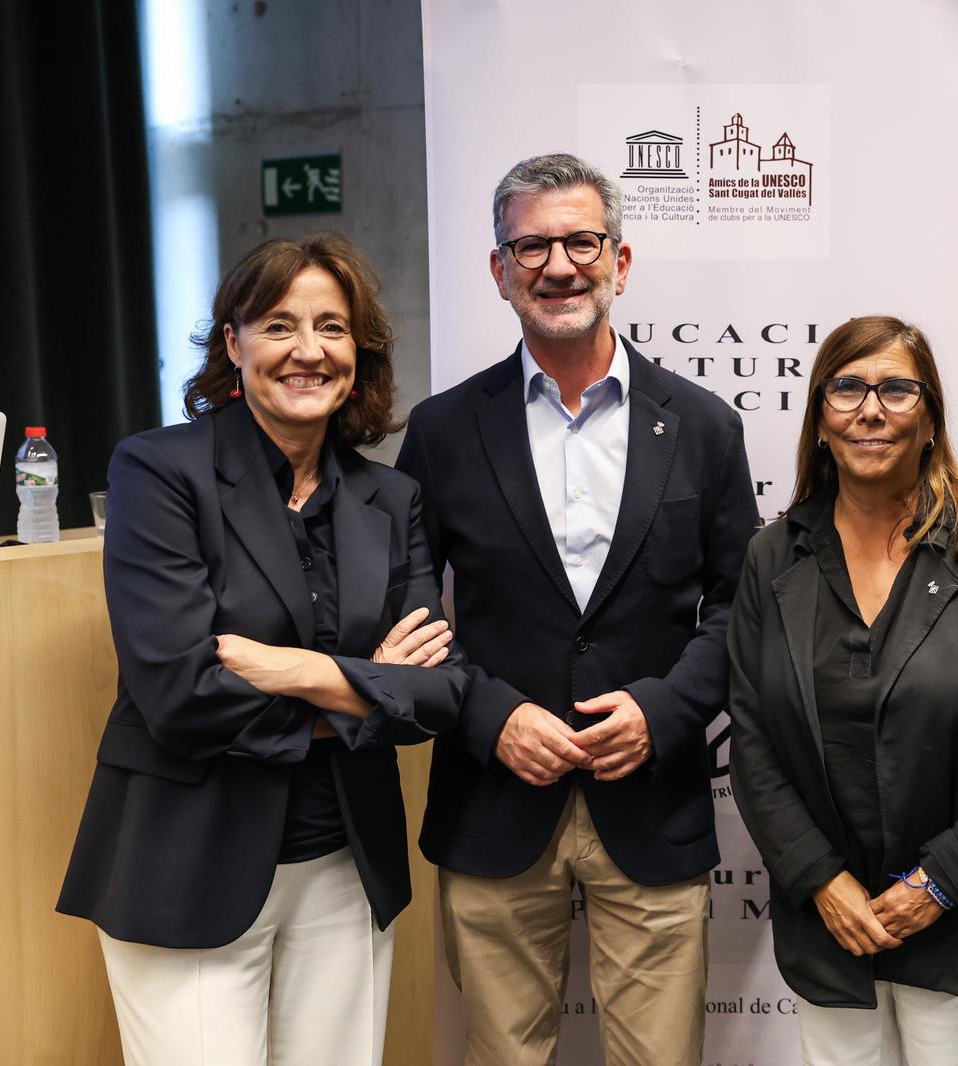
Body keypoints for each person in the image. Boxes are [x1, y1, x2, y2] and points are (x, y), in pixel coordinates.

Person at [57, 233, 475, 1066]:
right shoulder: (160, 472)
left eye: (332, 327)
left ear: (359, 351)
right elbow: (181, 694)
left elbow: (439, 694)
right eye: (280, 325)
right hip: (186, 864)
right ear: (234, 342)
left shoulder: (390, 498)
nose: (308, 350)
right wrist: (366, 688)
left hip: (345, 865)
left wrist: (302, 670)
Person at [394, 153, 758, 1065]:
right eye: (532, 247)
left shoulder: (705, 426)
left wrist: (663, 711)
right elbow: (406, 610)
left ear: (619, 262)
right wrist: (491, 716)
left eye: (582, 243)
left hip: (653, 800)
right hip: (493, 800)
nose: (558, 266)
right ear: (500, 269)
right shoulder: (442, 431)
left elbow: (741, 610)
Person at [726, 315, 958, 1066]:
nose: (870, 410)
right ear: (820, 421)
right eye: (847, 388)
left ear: (930, 419)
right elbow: (751, 737)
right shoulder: (772, 557)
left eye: (896, 390)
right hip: (828, 920)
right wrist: (820, 879)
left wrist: (939, 883)